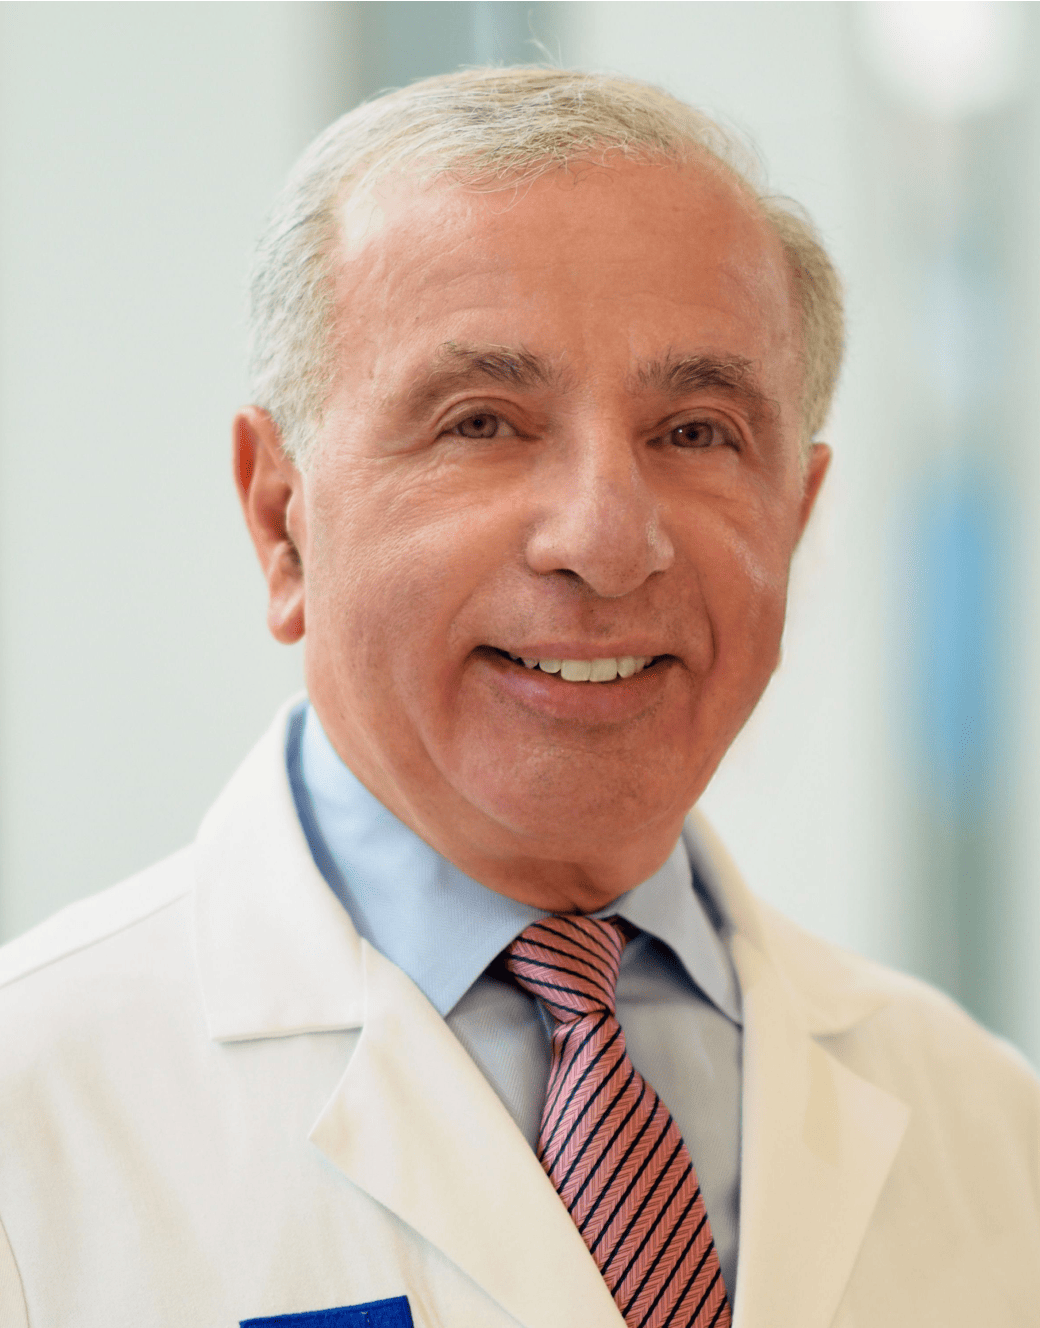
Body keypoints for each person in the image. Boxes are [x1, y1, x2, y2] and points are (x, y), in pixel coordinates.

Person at [0, 66, 1036, 1328]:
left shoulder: (992, 1133)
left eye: (697, 431)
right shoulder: (33, 1117)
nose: (605, 539)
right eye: (481, 422)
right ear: (283, 522)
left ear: (796, 515)